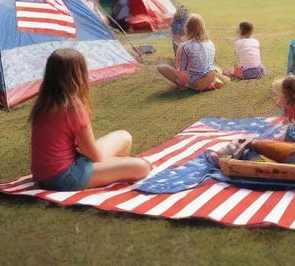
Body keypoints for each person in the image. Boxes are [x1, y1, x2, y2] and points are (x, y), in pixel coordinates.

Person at [30, 48, 151, 191]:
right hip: (65, 177)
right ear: (78, 75)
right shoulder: (72, 108)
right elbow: (94, 155)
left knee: (124, 137)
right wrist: (119, 162)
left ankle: (116, 170)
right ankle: (119, 171)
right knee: (142, 167)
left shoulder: (44, 103)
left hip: (44, 173)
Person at [157, 14, 229, 91]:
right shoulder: (210, 42)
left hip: (196, 83)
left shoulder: (185, 46)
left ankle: (186, 85)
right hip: (209, 76)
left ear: (187, 28)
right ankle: (211, 83)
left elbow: (181, 69)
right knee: (212, 68)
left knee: (162, 67)